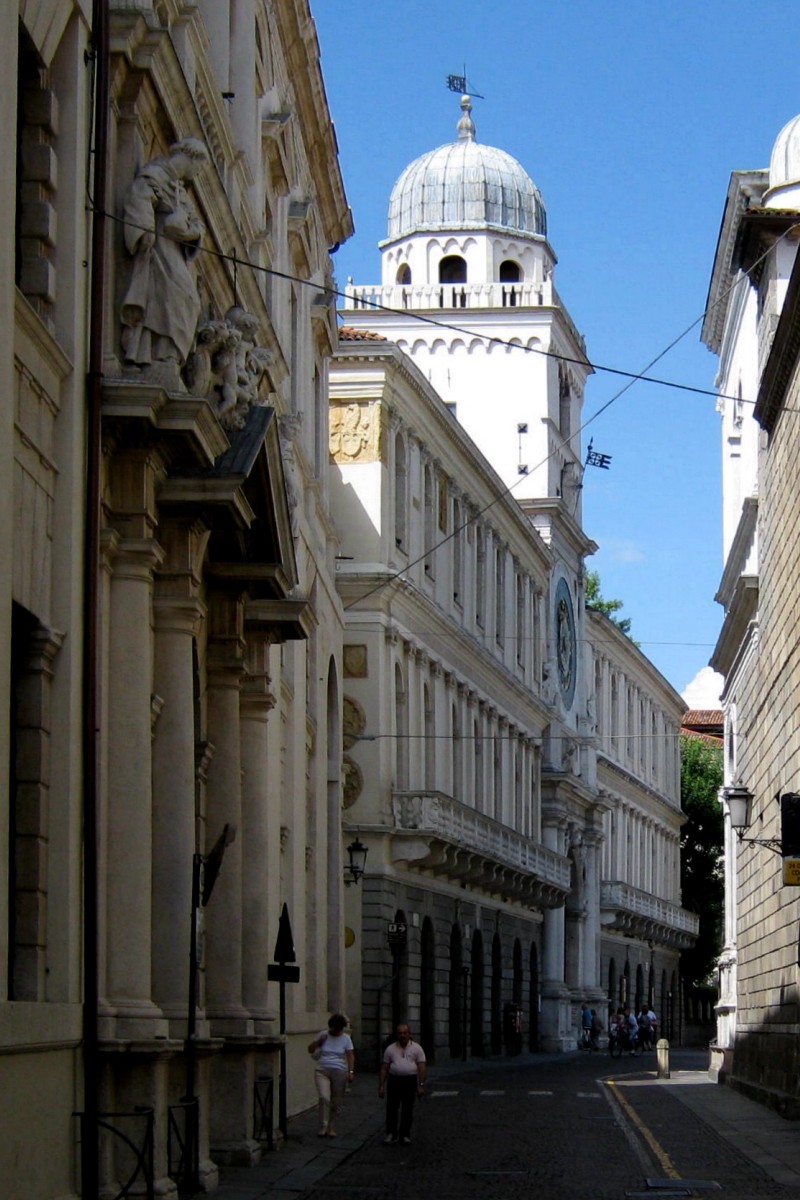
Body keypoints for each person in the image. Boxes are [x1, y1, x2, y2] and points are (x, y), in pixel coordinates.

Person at [120, 138, 208, 371]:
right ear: (190, 157)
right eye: (198, 166)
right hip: (157, 249)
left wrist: (188, 231)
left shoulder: (179, 189)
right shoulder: (155, 174)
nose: (198, 173)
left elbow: (197, 224)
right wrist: (146, 231)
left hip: (173, 251)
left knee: (189, 299)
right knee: (175, 296)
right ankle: (154, 355)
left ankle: (166, 354)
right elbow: (139, 197)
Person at [378, 1023, 427, 1145]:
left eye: (405, 1033)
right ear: (397, 1034)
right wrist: (381, 1086)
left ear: (409, 1034)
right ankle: (391, 1133)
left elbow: (421, 1066)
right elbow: (384, 1067)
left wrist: (421, 1084)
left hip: (409, 1080)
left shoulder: (417, 1048)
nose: (402, 1035)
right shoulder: (390, 1049)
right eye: (400, 1033)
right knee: (391, 1108)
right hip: (394, 1080)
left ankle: (405, 1134)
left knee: (407, 1109)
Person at [307, 1013, 355, 1137]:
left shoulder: (346, 1038)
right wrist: (318, 1042)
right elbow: (310, 1050)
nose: (334, 1031)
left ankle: (331, 1126)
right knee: (324, 1097)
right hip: (322, 1069)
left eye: (338, 1029)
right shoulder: (323, 1035)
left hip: (339, 1071)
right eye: (333, 1028)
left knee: (336, 1101)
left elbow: (350, 1055)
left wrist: (351, 1072)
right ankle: (323, 1125)